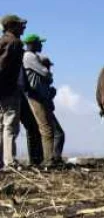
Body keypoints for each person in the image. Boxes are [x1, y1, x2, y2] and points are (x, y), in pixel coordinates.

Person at [21, 34, 65, 167]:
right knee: (46, 129)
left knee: (50, 131)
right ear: (32, 43)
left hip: (39, 96)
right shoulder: (29, 56)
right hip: (36, 96)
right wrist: (47, 73)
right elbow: (46, 73)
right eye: (39, 43)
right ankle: (48, 160)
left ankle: (49, 159)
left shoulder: (32, 57)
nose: (41, 45)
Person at [0, 15, 26, 170]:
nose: (23, 27)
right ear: (11, 26)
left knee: (2, 126)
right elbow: (2, 67)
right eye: (19, 25)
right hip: (8, 89)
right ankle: (9, 161)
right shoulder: (14, 43)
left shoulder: (3, 41)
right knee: (10, 126)